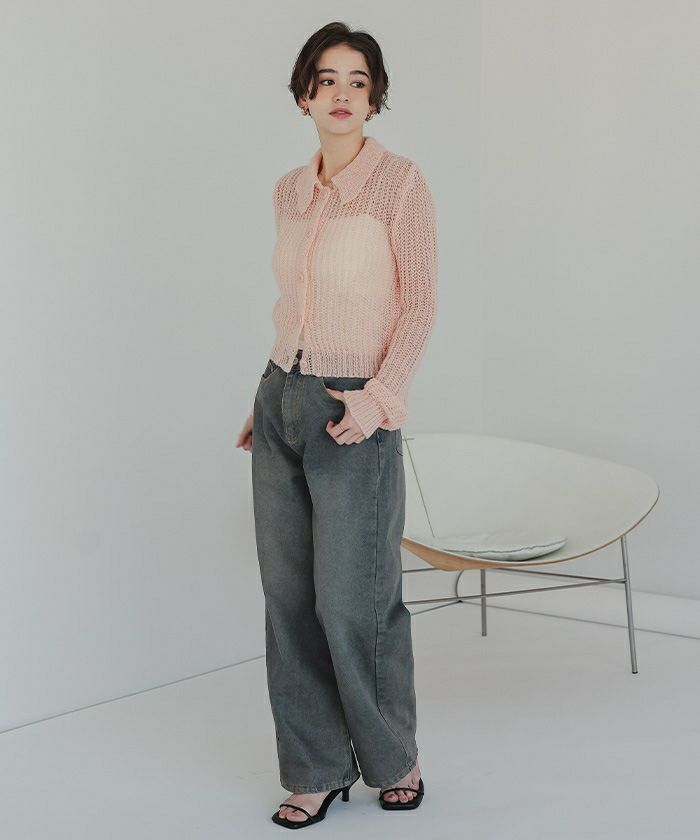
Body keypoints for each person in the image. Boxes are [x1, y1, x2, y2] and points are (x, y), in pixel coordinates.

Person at [236, 21, 437, 828]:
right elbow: (296, 303)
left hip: (356, 409)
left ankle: (394, 758)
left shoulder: (401, 184)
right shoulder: (289, 191)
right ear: (303, 97)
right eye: (326, 80)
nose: (342, 94)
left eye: (358, 81)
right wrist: (268, 399)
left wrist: (376, 399)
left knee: (354, 601)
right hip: (281, 398)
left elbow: (419, 306)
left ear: (375, 96)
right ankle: (316, 768)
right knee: (288, 600)